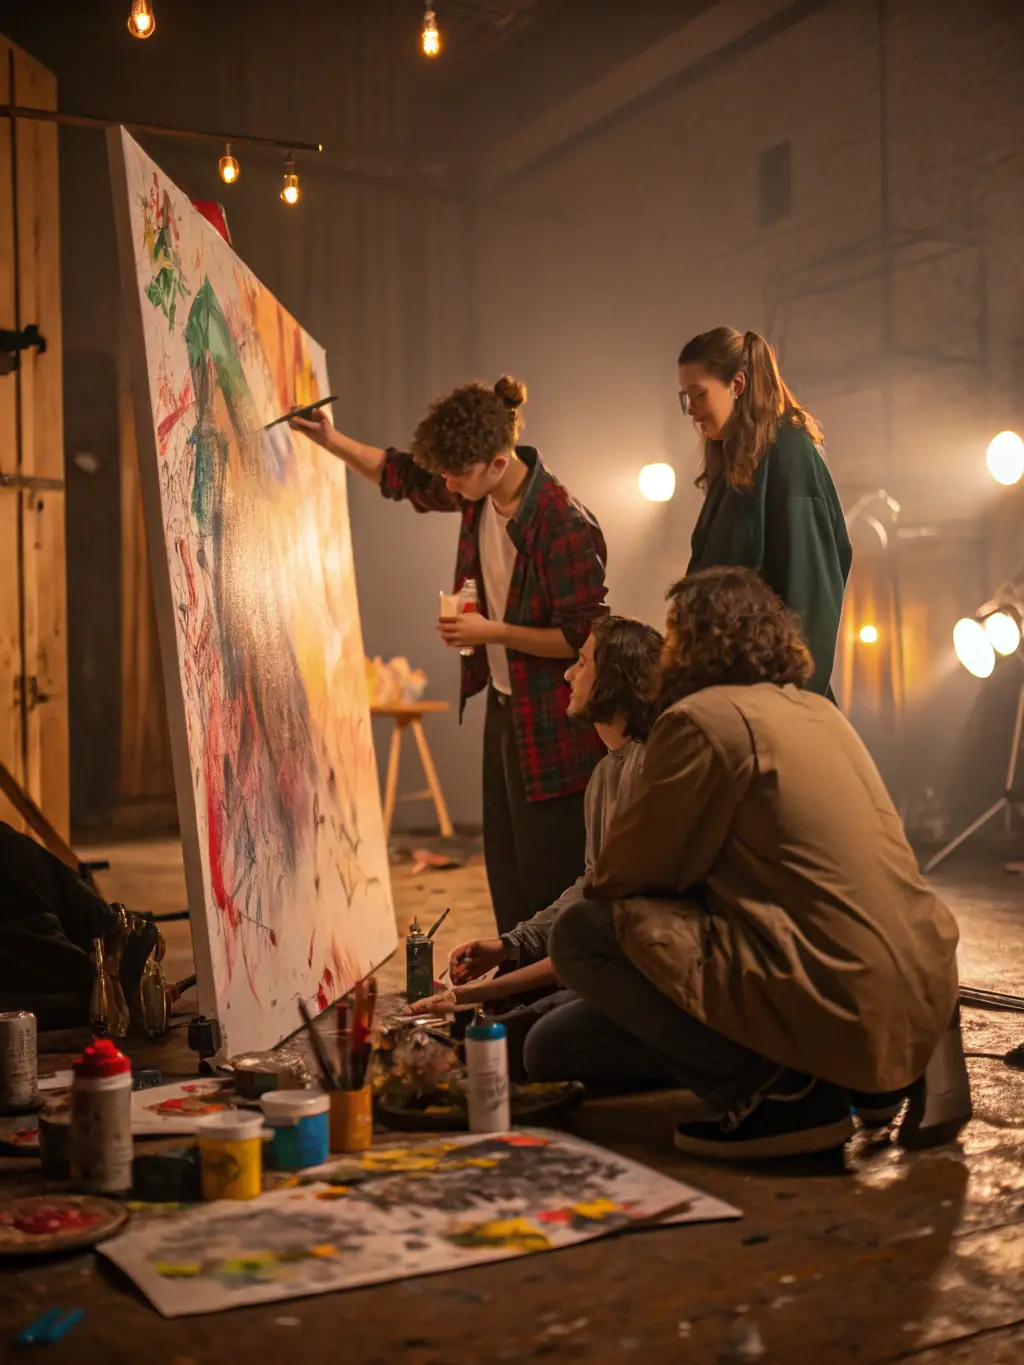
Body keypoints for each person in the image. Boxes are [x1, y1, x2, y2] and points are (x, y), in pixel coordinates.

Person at [534, 566, 966, 1160]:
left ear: (688, 643)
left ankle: (782, 1096)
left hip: (828, 980)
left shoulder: (700, 721)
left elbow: (619, 878)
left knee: (583, 935)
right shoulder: (820, 714)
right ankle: (863, 1077)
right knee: (554, 1043)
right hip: (924, 976)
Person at [291, 378, 608, 936]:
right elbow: (405, 479)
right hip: (506, 709)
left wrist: (493, 631)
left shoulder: (562, 523)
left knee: (547, 878)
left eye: (456, 475)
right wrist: (330, 440)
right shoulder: (477, 491)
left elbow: (582, 638)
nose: (447, 485)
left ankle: (555, 1004)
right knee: (505, 871)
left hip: (555, 720)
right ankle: (512, 994)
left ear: (497, 462)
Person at [406, 617, 663, 1077]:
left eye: (582, 663)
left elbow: (608, 929)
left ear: (615, 680)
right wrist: (510, 944)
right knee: (490, 1045)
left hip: (646, 978)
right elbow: (590, 887)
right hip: (609, 968)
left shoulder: (651, 773)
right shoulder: (607, 773)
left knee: (534, 1050)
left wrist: (469, 994)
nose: (567, 674)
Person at [678, 327, 852, 696]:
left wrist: (794, 696)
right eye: (685, 398)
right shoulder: (735, 464)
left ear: (737, 385)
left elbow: (811, 589)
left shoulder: (788, 454)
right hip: (732, 690)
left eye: (698, 394)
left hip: (772, 698)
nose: (690, 410)